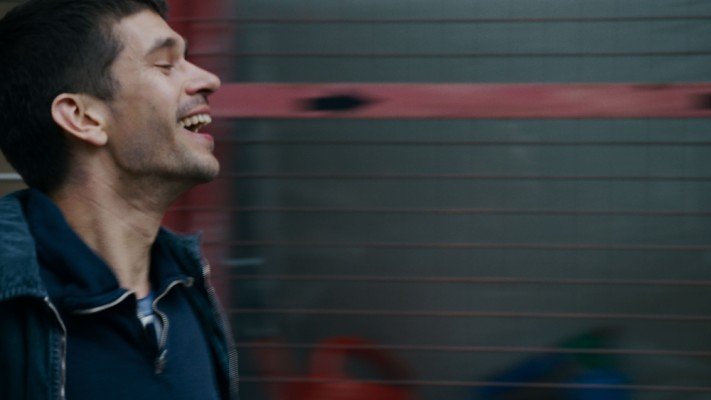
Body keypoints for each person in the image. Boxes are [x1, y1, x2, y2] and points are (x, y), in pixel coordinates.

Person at [0, 0, 238, 399]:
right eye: (166, 64)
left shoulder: (189, 288)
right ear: (84, 117)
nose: (209, 79)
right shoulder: (13, 312)